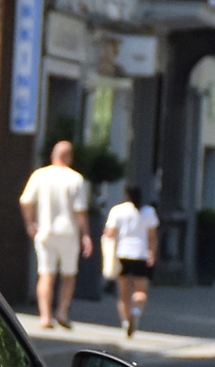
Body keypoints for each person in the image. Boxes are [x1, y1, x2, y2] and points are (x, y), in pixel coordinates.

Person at [17, 140, 91, 330]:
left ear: (53, 155)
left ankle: (45, 316)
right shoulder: (76, 178)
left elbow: (25, 201)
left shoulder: (40, 175)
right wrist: (86, 235)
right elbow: (80, 210)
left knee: (46, 274)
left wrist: (30, 223)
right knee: (68, 275)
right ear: (69, 157)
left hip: (45, 231)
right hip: (68, 232)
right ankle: (62, 312)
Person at [103, 183, 159, 341]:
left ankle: (126, 322)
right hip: (141, 255)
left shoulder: (118, 210)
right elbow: (153, 236)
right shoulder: (149, 212)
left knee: (123, 293)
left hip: (122, 254)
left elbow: (110, 233)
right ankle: (136, 311)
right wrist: (152, 253)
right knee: (141, 291)